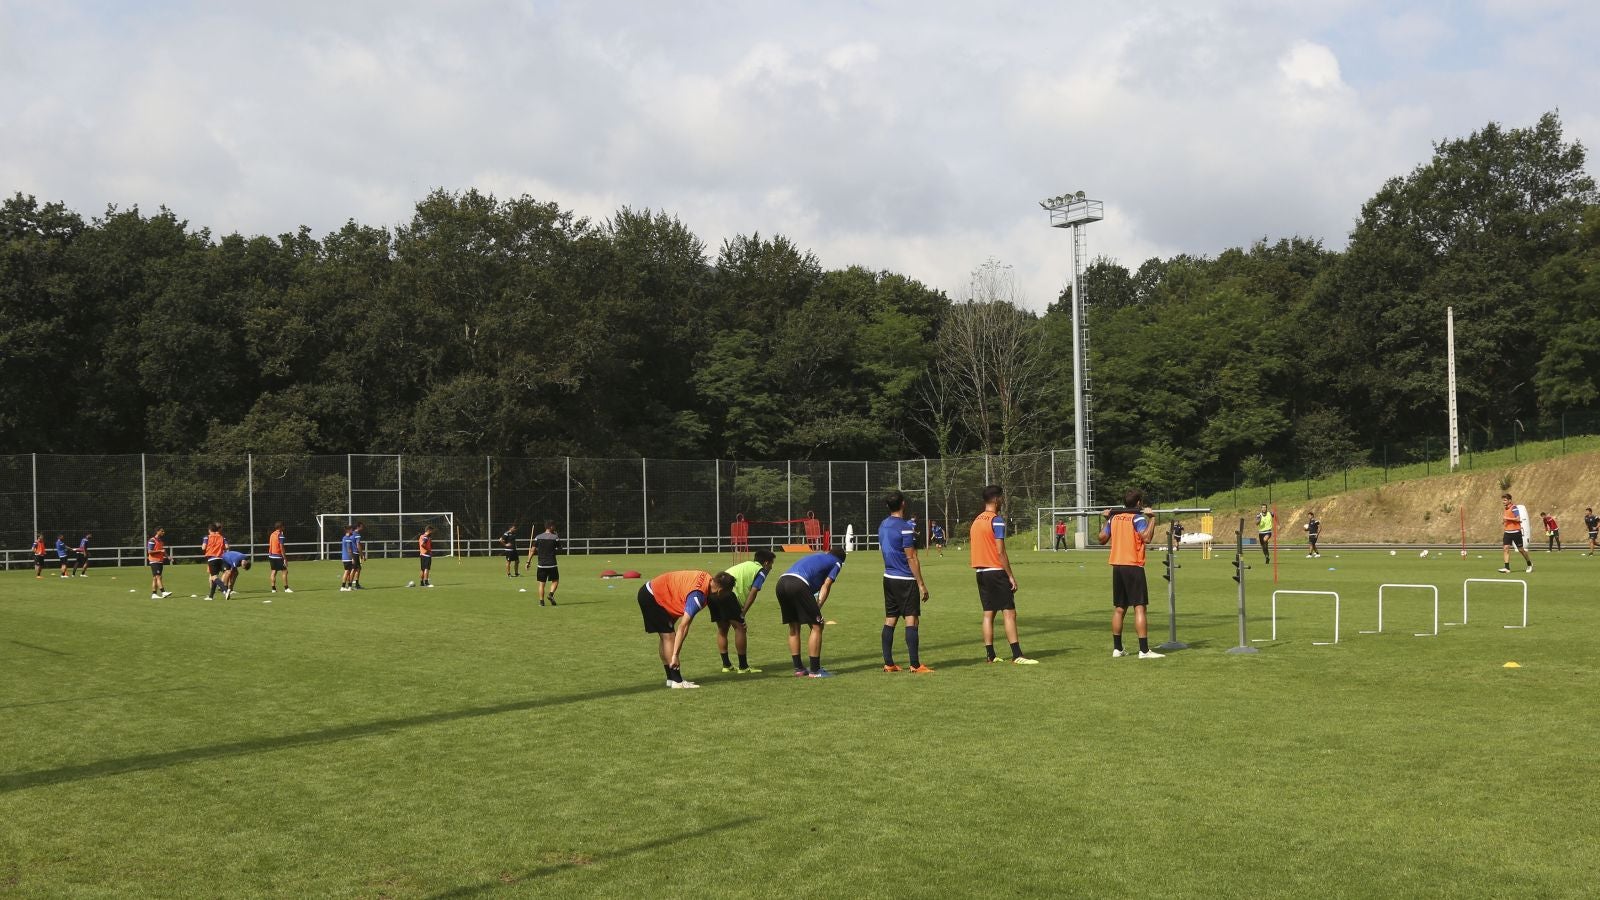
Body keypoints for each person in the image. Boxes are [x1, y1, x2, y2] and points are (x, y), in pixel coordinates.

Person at [970, 484, 1037, 665]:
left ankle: (990, 655)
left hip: (981, 572)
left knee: (988, 614)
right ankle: (1017, 655)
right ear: (997, 499)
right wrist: (1010, 575)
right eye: (1002, 498)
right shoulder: (996, 520)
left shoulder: (976, 521)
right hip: (995, 571)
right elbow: (1000, 552)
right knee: (1009, 613)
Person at [637, 569, 736, 689]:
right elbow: (683, 627)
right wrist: (675, 655)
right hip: (653, 596)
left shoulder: (707, 577)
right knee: (669, 636)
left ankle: (671, 678)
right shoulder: (698, 597)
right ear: (720, 590)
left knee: (665, 636)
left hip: (654, 592)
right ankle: (677, 681)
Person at [1098, 490, 1164, 660]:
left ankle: (1117, 649)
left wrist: (1106, 520)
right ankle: (1144, 651)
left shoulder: (1115, 518)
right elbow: (1147, 538)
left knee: (1119, 609)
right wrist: (1153, 519)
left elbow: (1102, 538)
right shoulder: (1138, 518)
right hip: (1133, 566)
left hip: (1118, 566)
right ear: (1139, 503)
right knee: (1140, 607)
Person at [880, 491, 932, 673]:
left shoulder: (883, 524)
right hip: (905, 579)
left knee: (890, 619)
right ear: (903, 504)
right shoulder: (905, 527)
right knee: (912, 620)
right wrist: (921, 584)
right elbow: (911, 558)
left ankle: (888, 663)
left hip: (888, 577)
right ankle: (915, 665)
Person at [775, 547, 848, 678]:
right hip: (798, 584)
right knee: (817, 625)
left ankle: (799, 669)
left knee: (794, 626)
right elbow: (827, 585)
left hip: (781, 582)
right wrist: (818, 606)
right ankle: (815, 671)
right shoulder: (837, 562)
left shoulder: (819, 555)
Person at [713, 549, 775, 673]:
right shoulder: (760, 571)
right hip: (729, 595)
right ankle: (743, 666)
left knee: (722, 629)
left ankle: (726, 665)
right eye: (771, 564)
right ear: (766, 563)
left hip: (714, 593)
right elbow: (753, 592)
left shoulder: (746, 564)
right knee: (740, 628)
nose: (772, 568)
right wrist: (743, 612)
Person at [1500, 493, 1533, 574]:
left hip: (1516, 532)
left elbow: (1518, 519)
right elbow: (1507, 519)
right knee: (1506, 548)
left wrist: (1506, 518)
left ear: (1509, 500)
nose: (1503, 502)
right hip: (1507, 532)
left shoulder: (1514, 508)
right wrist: (1503, 521)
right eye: (1503, 500)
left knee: (1521, 549)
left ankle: (1529, 564)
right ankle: (1507, 568)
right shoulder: (1506, 509)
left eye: (1505, 500)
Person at [530, 521, 561, 605]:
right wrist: (557, 537)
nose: (554, 527)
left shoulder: (538, 537)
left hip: (541, 564)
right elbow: (559, 549)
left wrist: (528, 561)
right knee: (555, 581)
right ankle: (551, 594)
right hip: (552, 564)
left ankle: (541, 602)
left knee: (541, 584)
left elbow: (532, 550)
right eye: (554, 526)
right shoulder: (555, 537)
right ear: (550, 527)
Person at [266, 522, 293, 593]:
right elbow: (281, 547)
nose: (284, 528)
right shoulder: (280, 535)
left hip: (271, 555)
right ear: (281, 527)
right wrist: (285, 558)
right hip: (278, 556)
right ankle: (286, 588)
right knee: (285, 571)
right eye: (283, 526)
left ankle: (273, 589)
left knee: (273, 572)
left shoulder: (272, 534)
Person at [203, 524, 229, 596]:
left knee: (213, 577)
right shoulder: (222, 537)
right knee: (216, 576)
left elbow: (203, 547)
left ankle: (225, 590)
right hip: (221, 558)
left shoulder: (207, 537)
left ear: (209, 530)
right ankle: (211, 596)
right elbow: (227, 547)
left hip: (212, 559)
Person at [147, 527, 172, 599]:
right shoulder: (152, 540)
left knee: (155, 578)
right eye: (162, 531)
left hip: (160, 561)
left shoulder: (160, 541)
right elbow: (150, 551)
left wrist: (168, 557)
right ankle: (163, 592)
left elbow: (162, 551)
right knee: (158, 577)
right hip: (154, 561)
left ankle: (154, 594)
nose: (163, 532)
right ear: (157, 531)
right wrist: (160, 551)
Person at [339, 524, 358, 591]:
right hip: (347, 558)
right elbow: (349, 550)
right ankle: (343, 587)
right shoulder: (347, 539)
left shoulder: (344, 538)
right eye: (351, 529)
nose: (352, 530)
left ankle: (349, 586)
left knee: (348, 572)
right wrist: (352, 558)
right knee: (347, 572)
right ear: (348, 530)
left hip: (345, 557)